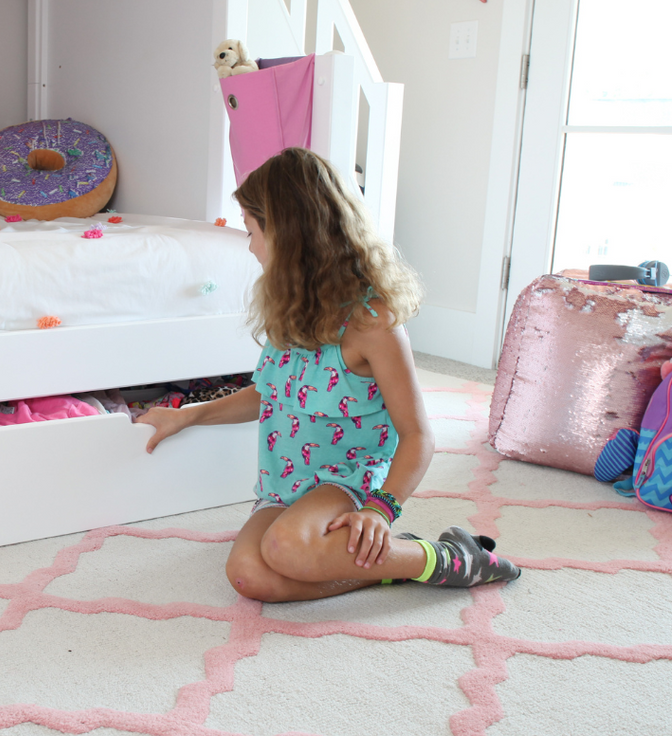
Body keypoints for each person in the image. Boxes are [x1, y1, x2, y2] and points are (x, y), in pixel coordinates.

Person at [135, 147, 520, 602]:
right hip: (284, 482)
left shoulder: (371, 324)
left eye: (253, 231)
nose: (251, 245)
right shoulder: (291, 307)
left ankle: (448, 559)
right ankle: (391, 563)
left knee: (287, 548)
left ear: (289, 235)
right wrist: (189, 415)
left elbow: (419, 435)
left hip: (348, 480)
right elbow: (268, 395)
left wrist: (380, 511)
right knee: (249, 576)